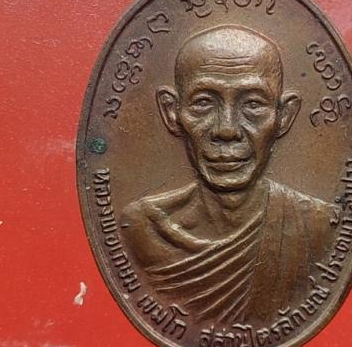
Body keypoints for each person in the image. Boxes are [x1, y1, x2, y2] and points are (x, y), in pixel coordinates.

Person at [121, 25, 336, 325]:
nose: (227, 129)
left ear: (284, 116)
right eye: (203, 103)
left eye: (253, 105)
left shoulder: (318, 226)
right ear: (171, 112)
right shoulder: (143, 229)